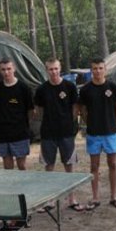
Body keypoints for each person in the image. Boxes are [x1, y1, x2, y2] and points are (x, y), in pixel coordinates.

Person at [34, 58, 83, 211]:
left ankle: (72, 198)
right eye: (50, 69)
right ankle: (50, 200)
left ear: (60, 68)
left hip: (66, 133)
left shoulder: (69, 86)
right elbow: (39, 110)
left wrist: (68, 122)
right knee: (49, 166)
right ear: (46, 70)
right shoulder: (42, 89)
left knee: (69, 165)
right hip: (48, 133)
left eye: (56, 68)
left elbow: (75, 108)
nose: (54, 72)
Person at [78, 58, 116, 210]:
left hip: (110, 133)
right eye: (94, 68)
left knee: (113, 164)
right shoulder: (85, 89)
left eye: (100, 68)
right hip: (93, 134)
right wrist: (88, 122)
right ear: (91, 70)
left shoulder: (112, 87)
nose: (97, 71)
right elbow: (82, 109)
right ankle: (95, 198)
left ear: (105, 69)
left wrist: (115, 123)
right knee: (94, 166)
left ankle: (113, 196)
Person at [0, 58, 34, 170]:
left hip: (20, 133)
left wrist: (24, 124)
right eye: (3, 69)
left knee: (22, 166)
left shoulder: (24, 88)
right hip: (3, 133)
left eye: (9, 69)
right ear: (0, 71)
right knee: (7, 168)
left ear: (14, 69)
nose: (6, 72)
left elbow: (30, 110)